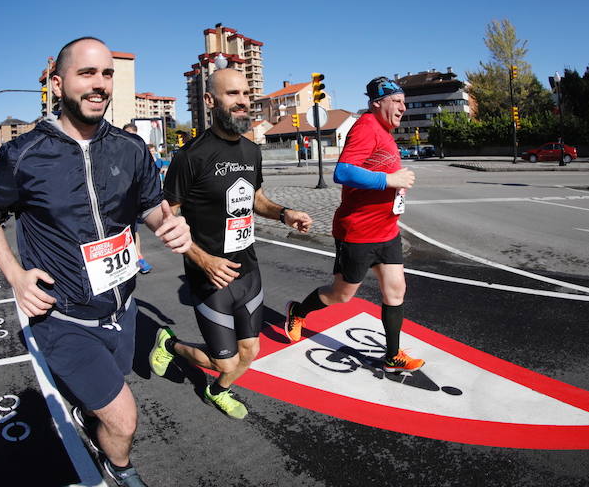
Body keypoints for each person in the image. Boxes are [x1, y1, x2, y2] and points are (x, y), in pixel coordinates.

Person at [0, 36, 191, 487]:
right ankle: (118, 466)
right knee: (124, 421)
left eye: (107, 74)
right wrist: (16, 276)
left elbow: (151, 207)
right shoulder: (23, 154)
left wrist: (170, 225)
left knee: (109, 395)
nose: (100, 85)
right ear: (57, 84)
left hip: (121, 309)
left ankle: (92, 415)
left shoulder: (131, 148)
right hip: (63, 316)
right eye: (87, 73)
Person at [149, 68, 312, 419]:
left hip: (247, 269)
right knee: (228, 361)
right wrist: (203, 259)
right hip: (208, 277)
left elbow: (257, 200)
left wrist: (285, 214)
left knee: (250, 352)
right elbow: (167, 220)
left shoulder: (252, 151)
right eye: (232, 94)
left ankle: (217, 390)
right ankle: (171, 344)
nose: (243, 102)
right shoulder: (190, 156)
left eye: (246, 94)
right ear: (210, 101)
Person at [283, 76, 425, 374]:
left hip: (387, 232)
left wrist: (396, 185)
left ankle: (392, 355)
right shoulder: (366, 127)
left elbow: (374, 169)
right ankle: (298, 310)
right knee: (342, 295)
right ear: (377, 103)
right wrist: (389, 180)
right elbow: (343, 172)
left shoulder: (385, 132)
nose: (403, 106)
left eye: (403, 101)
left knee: (396, 290)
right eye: (397, 101)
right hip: (358, 233)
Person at [122, 122, 153, 275]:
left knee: (134, 230)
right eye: (127, 135)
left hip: (135, 199)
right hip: (118, 201)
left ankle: (139, 258)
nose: (130, 139)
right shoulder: (116, 152)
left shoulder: (141, 153)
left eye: (133, 136)